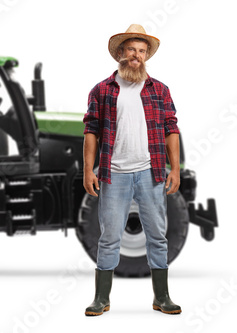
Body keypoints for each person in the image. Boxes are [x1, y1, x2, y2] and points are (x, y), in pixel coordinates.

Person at [82, 24, 182, 316]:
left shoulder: (159, 90)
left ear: (146, 55)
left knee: (158, 235)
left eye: (141, 51)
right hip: (113, 174)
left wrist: (174, 168)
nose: (136, 55)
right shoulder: (102, 90)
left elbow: (171, 129)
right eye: (131, 50)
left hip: (151, 173)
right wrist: (90, 170)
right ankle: (102, 298)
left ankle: (161, 297)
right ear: (120, 54)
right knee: (110, 236)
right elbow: (91, 131)